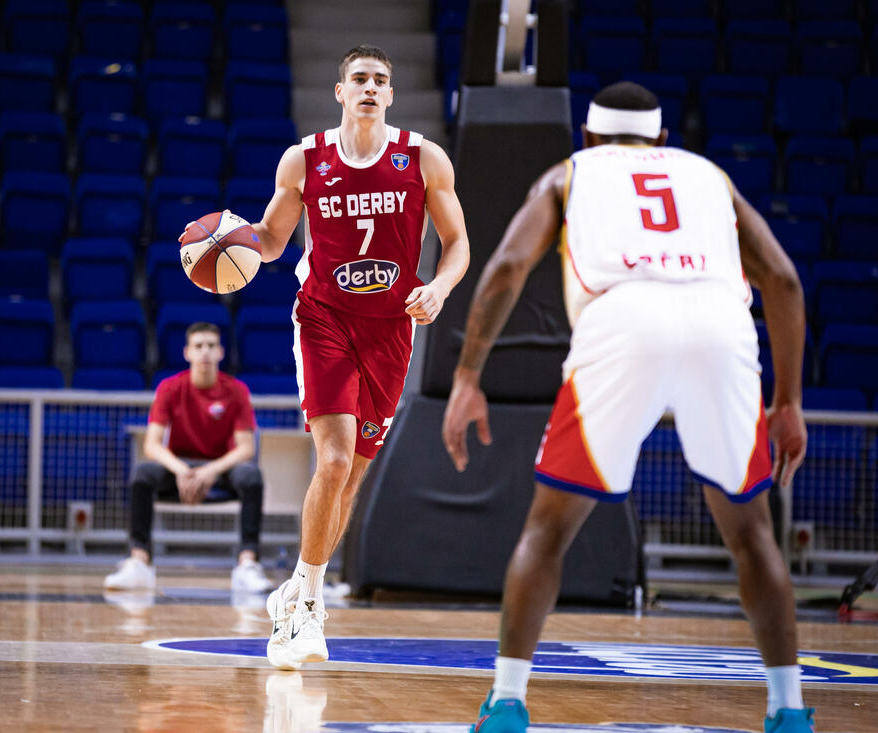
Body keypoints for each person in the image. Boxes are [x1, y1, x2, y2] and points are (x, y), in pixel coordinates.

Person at [442, 82, 812, 733]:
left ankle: (506, 702)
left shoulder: (568, 174)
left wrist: (468, 374)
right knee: (753, 533)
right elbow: (781, 279)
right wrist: (789, 401)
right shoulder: (711, 176)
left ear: (587, 137)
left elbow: (505, 268)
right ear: (662, 139)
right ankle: (788, 709)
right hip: (722, 322)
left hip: (623, 318)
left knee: (547, 530)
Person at [181, 44, 471, 669]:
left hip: (391, 329)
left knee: (351, 478)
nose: (370, 88)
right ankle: (308, 609)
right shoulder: (305, 159)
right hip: (324, 318)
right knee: (333, 461)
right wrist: (223, 242)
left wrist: (441, 287)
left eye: (380, 80)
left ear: (390, 94)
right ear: (340, 91)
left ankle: (298, 585)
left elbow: (457, 242)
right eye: (359, 79)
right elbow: (271, 239)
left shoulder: (423, 157)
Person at [104, 322, 271, 594]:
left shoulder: (236, 390)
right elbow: (152, 445)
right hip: (180, 466)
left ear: (221, 352)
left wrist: (210, 471)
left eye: (211, 345)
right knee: (142, 475)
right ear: (187, 352)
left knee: (252, 476)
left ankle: (247, 564)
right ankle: (139, 562)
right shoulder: (170, 388)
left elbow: (245, 449)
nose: (205, 351)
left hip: (220, 469)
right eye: (198, 346)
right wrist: (182, 470)